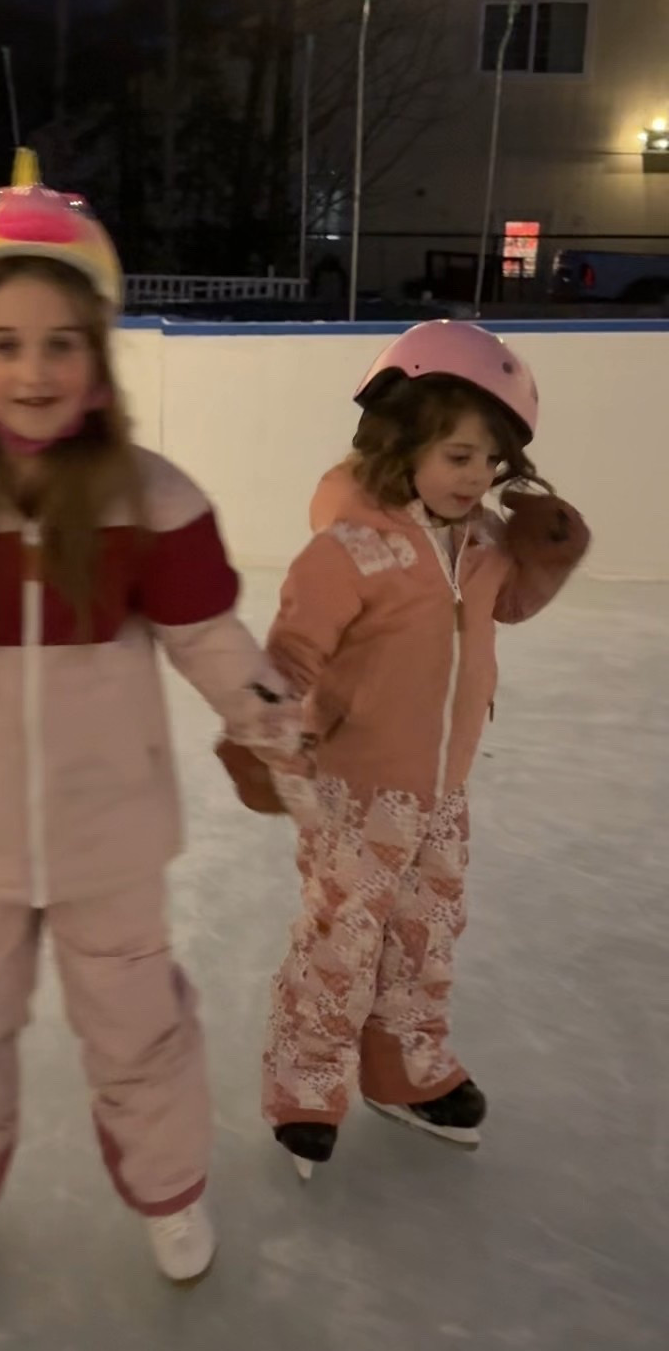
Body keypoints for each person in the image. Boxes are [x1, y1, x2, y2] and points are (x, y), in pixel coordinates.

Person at [0, 153, 297, 1289]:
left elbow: (210, 636)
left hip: (108, 839)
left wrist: (269, 723)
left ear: (97, 356)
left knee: (140, 1027)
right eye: (7, 343)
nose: (35, 371)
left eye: (61, 343)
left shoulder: (149, 498)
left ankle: (169, 1192)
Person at [217, 320, 590, 1180]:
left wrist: (547, 556)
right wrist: (261, 730)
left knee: (426, 936)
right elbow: (294, 647)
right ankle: (307, 1086)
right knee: (340, 941)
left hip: (442, 786)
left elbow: (504, 612)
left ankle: (403, 1071)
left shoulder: (485, 540)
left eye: (492, 460)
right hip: (355, 787)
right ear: (403, 439)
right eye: (459, 455)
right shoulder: (352, 546)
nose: (479, 477)